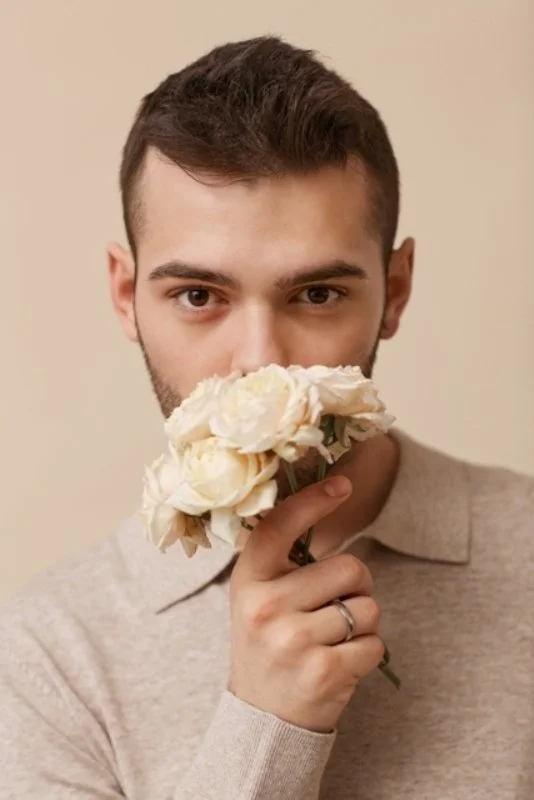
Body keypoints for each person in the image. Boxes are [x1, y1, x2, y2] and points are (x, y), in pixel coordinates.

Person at [1, 34, 533, 800]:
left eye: (316, 295)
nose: (259, 360)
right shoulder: (45, 658)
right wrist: (265, 728)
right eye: (198, 296)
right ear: (127, 298)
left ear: (397, 288)